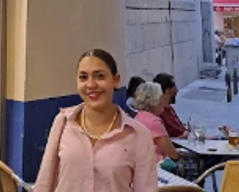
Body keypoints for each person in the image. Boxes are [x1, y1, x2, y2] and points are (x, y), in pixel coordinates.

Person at [35, 49, 157, 192]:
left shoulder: (139, 135)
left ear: (116, 80)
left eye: (100, 76)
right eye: (83, 77)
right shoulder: (63, 122)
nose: (91, 85)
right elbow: (44, 184)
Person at [133, 82, 184, 171]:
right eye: (160, 97)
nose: (163, 100)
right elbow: (172, 154)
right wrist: (182, 155)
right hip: (156, 167)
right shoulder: (154, 122)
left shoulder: (138, 117)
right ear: (153, 102)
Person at [153, 73, 189, 139]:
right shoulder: (159, 112)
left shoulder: (169, 108)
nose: (177, 90)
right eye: (174, 86)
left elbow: (182, 129)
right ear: (167, 90)